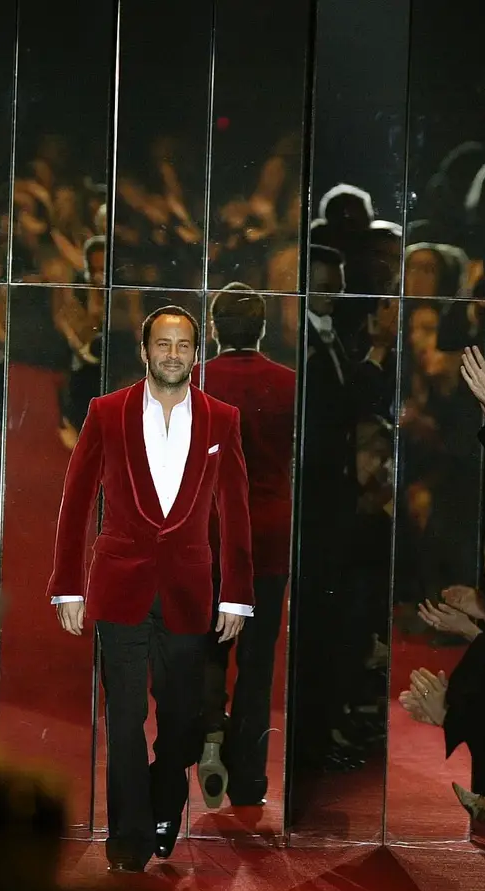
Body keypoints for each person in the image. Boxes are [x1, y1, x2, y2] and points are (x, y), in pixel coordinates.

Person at [48, 305, 255, 872]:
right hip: (119, 586)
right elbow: (76, 501)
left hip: (190, 590)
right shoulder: (106, 412)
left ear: (197, 352)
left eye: (182, 345)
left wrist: (236, 594)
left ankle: (167, 801)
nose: (172, 354)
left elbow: (236, 512)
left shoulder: (221, 419)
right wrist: (67, 586)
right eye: (162, 344)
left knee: (183, 721)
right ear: (144, 351)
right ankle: (130, 836)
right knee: (125, 719)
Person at [198, 285, 296, 810]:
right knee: (258, 663)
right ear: (262, 328)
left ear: (213, 328)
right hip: (268, 537)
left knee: (205, 646)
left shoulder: (194, 382)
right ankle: (249, 782)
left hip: (207, 535)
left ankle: (211, 730)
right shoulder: (289, 385)